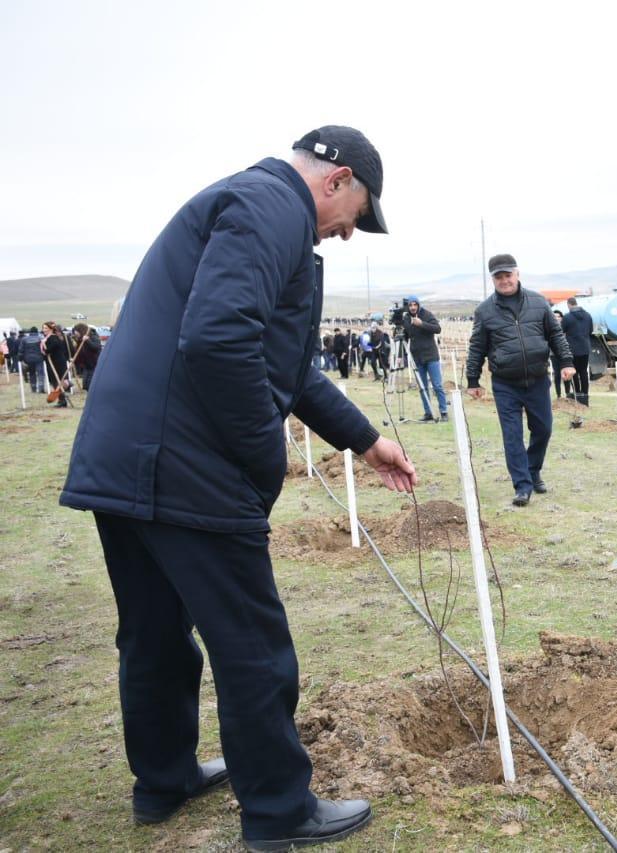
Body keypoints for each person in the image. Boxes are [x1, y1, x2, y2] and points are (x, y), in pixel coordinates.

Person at [59, 126, 416, 850]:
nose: (349, 234)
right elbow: (219, 339)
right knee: (252, 640)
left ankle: (163, 779)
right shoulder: (268, 205)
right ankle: (281, 809)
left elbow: (285, 365)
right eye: (357, 214)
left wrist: (365, 439)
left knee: (156, 633)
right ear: (336, 179)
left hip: (127, 459)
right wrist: (263, 457)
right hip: (186, 462)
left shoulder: (249, 204)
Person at [466, 253, 575, 506]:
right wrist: (473, 380)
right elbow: (477, 347)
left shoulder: (538, 302)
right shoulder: (484, 311)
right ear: (493, 279)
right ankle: (522, 485)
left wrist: (567, 362)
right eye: (499, 277)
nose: (504, 280)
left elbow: (556, 335)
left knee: (544, 429)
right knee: (512, 435)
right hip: (505, 383)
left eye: (508, 275)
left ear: (517, 274)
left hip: (537, 379)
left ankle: (533, 470)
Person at [401, 297, 447, 422]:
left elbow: (437, 329)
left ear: (418, 305)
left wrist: (421, 324)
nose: (413, 307)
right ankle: (428, 413)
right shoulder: (406, 319)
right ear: (408, 307)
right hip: (417, 358)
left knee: (437, 385)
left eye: (415, 304)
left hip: (431, 356)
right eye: (410, 305)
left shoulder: (426, 314)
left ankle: (444, 412)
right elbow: (405, 335)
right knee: (423, 387)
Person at [560, 296, 594, 405]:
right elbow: (591, 330)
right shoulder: (588, 315)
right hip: (585, 348)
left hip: (572, 349)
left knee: (574, 372)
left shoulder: (567, 317)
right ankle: (585, 395)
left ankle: (577, 394)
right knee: (583, 372)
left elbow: (561, 332)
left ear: (569, 305)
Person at [42, 321, 70, 407]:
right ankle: (62, 400)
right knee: (55, 382)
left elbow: (52, 348)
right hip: (52, 363)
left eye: (46, 328)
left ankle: (62, 401)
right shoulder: (48, 338)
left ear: (51, 329)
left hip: (57, 364)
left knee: (57, 382)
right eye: (43, 328)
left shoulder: (53, 338)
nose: (44, 330)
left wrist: (45, 349)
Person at [72, 322, 102, 393]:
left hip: (94, 363)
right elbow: (79, 351)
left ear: (81, 331)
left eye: (76, 332)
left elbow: (96, 347)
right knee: (85, 384)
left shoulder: (93, 336)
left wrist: (87, 340)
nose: (76, 334)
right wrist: (74, 359)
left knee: (90, 384)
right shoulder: (80, 339)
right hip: (86, 364)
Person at [18, 326, 45, 392]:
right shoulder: (41, 338)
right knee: (40, 373)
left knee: (32, 373)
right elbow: (44, 348)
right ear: (36, 332)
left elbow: (21, 350)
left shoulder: (24, 339)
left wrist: (20, 359)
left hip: (28, 359)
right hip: (39, 358)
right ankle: (41, 388)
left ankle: (33, 388)